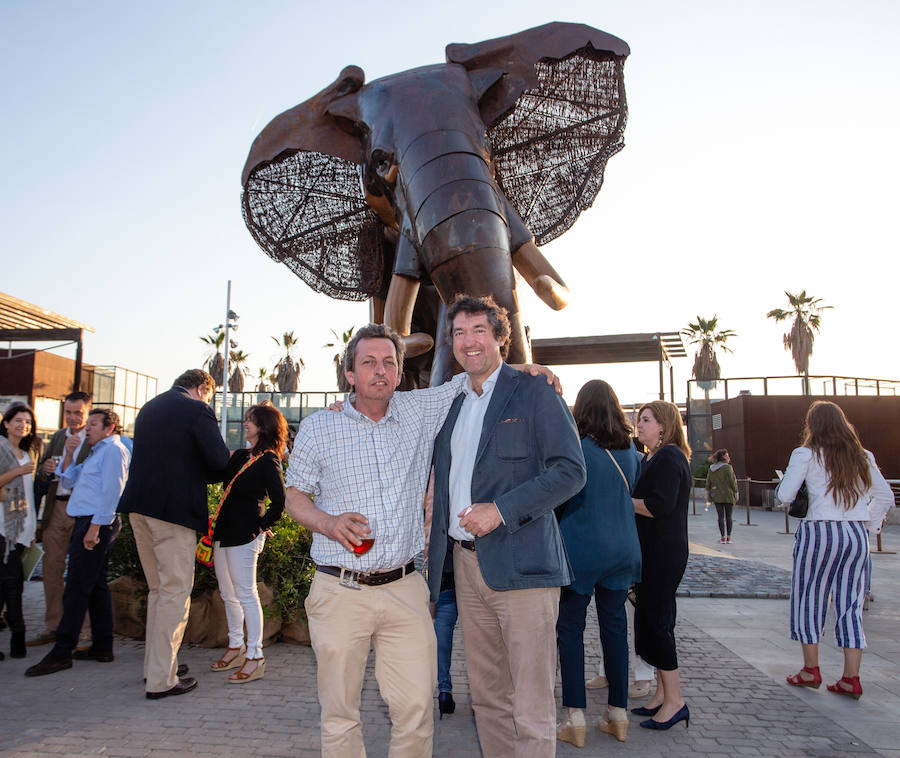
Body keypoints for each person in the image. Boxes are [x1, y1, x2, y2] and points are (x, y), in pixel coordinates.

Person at [285, 324, 468, 758]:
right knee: (340, 714)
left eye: (389, 363)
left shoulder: (420, 411)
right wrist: (329, 524)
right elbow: (294, 497)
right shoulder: (318, 429)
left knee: (418, 707)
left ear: (401, 374)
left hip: (405, 589)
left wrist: (529, 368)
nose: (380, 371)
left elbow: (474, 374)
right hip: (339, 589)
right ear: (350, 374)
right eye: (368, 363)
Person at [426, 295, 586, 758]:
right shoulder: (451, 402)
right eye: (459, 333)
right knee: (488, 698)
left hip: (524, 568)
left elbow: (570, 471)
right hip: (466, 569)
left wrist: (500, 509)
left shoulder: (533, 389)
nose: (469, 341)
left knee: (532, 704)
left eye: (479, 330)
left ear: (501, 337)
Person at [118, 369, 230, 700]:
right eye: (209, 397)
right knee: (175, 592)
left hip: (138, 507)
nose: (208, 403)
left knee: (158, 590)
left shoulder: (149, 407)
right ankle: (161, 680)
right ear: (201, 389)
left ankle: (156, 667)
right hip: (173, 512)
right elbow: (219, 459)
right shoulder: (197, 408)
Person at [778, 401, 893, 699]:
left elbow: (785, 495)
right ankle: (850, 678)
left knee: (809, 598)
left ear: (812, 425)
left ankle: (810, 669)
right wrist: (870, 525)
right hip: (855, 534)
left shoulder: (805, 454)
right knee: (850, 604)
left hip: (818, 531)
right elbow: (886, 496)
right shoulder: (862, 456)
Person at [556, 380, 641, 746]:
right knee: (615, 630)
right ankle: (617, 714)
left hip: (582, 550)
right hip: (623, 550)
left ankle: (575, 717)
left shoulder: (577, 451)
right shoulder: (631, 453)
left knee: (570, 631)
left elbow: (561, 498)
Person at [24, 409, 130, 676]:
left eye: (93, 424)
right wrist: (70, 454)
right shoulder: (97, 450)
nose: (87, 428)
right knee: (95, 586)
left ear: (110, 427)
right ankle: (103, 645)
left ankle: (62, 652)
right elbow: (69, 479)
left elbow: (112, 492)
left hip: (96, 523)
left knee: (76, 587)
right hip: (89, 521)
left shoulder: (113, 451)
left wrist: (95, 528)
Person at [209, 402, 287, 683]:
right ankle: (236, 646)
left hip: (245, 537)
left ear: (264, 427)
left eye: (250, 420)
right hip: (223, 533)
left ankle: (255, 656)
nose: (245, 424)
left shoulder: (268, 460)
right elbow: (214, 474)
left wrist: (262, 527)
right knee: (227, 593)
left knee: (246, 594)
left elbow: (280, 501)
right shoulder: (241, 456)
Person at [630, 400, 692, 731]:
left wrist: (623, 503)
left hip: (663, 554)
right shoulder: (653, 457)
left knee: (658, 623)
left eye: (646, 420)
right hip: (651, 552)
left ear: (664, 426)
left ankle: (675, 701)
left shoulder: (669, 457)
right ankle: (659, 694)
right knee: (650, 621)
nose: (639, 425)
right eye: (639, 420)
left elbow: (660, 505)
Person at [29, 391, 93, 647]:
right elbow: (42, 481)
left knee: (81, 572)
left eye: (78, 412)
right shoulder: (56, 437)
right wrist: (45, 472)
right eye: (68, 412)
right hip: (56, 509)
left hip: (82, 512)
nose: (73, 418)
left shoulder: (94, 439)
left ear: (88, 413)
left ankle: (84, 630)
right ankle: (53, 625)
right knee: (51, 570)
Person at [0, 404, 42, 659]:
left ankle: (17, 638)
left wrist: (32, 528)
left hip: (21, 528)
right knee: (13, 584)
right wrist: (17, 471)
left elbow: (29, 494)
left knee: (7, 585)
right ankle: (18, 638)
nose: (22, 425)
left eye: (27, 422)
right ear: (6, 423)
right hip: (2, 527)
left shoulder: (28, 453)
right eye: (17, 420)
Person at [706, 449, 738, 544]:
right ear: (723, 457)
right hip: (728, 495)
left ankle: (722, 537)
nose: (729, 457)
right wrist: (736, 493)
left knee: (720, 517)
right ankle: (729, 538)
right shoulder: (728, 468)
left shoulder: (711, 468)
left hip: (717, 496)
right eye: (727, 456)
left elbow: (709, 483)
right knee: (729, 517)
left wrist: (709, 495)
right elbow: (733, 482)